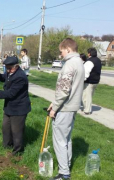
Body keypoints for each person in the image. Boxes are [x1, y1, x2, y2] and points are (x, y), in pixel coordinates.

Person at [47, 38, 85, 180]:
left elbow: (64, 90)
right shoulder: (79, 62)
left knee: (60, 140)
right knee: (66, 139)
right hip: (72, 106)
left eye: (61, 51)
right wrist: (54, 102)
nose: (60, 54)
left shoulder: (70, 64)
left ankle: (64, 173)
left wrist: (55, 108)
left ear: (68, 49)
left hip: (65, 107)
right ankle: (66, 165)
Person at [0, 56, 31, 155]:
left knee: (16, 131)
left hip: (19, 108)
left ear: (16, 66)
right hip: (9, 106)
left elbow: (11, 93)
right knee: (6, 127)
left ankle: (17, 151)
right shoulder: (10, 72)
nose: (7, 70)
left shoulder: (20, 77)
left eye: (9, 68)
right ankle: (7, 146)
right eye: (6, 68)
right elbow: (5, 78)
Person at [82, 48, 102, 115]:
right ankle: (87, 108)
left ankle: (87, 110)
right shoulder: (98, 60)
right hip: (96, 81)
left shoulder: (89, 61)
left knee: (86, 96)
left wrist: (83, 80)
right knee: (89, 95)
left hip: (89, 81)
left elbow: (86, 72)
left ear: (89, 53)